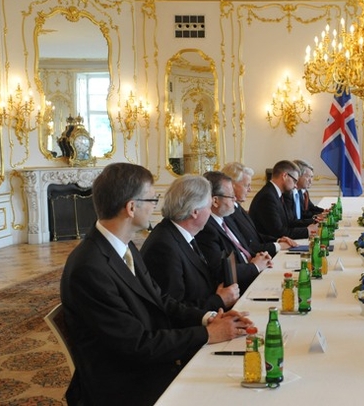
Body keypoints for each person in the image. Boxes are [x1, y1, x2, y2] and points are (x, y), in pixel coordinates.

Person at [60, 163, 252, 406]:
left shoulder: (125, 246)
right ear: (131, 207)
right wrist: (207, 334)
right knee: (229, 387)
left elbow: (161, 300)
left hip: (146, 362)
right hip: (124, 383)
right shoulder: (89, 268)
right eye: (152, 199)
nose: (155, 206)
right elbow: (136, 344)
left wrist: (209, 318)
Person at [141, 175, 240, 311]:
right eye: (209, 207)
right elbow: (172, 309)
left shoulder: (181, 234)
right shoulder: (163, 247)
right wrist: (218, 300)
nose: (210, 212)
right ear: (195, 212)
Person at [197, 171, 272, 294]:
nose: (235, 199)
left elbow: (244, 249)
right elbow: (220, 271)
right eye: (231, 196)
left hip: (253, 276)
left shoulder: (227, 218)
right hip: (239, 289)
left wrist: (260, 257)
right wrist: (255, 266)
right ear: (215, 201)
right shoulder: (206, 229)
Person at [221, 162, 297, 257]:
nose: (250, 189)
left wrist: (278, 240)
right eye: (247, 185)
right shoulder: (227, 212)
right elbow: (247, 245)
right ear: (232, 186)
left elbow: (255, 236)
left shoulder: (237, 207)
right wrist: (278, 246)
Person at [249, 160, 317, 239]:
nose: (295, 186)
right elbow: (279, 232)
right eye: (295, 181)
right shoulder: (267, 197)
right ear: (285, 176)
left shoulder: (277, 193)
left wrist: (314, 221)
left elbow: (290, 222)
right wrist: (307, 231)